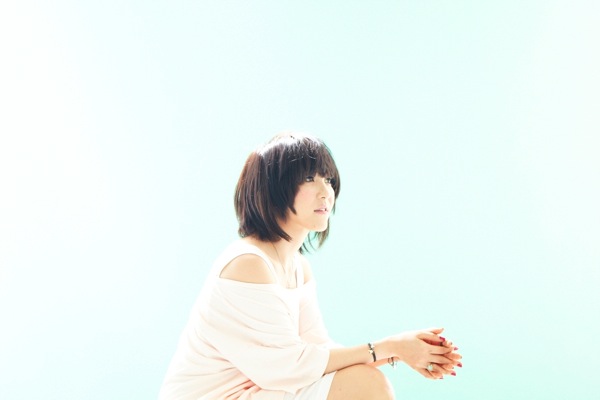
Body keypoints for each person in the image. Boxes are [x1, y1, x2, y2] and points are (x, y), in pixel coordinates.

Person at [159, 133, 462, 400]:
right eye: (308, 179)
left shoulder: (297, 267)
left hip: (258, 391)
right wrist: (391, 347)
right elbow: (291, 367)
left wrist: (405, 350)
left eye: (328, 179)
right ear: (273, 188)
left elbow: (318, 352)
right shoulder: (248, 263)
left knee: (363, 381)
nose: (325, 191)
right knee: (365, 385)